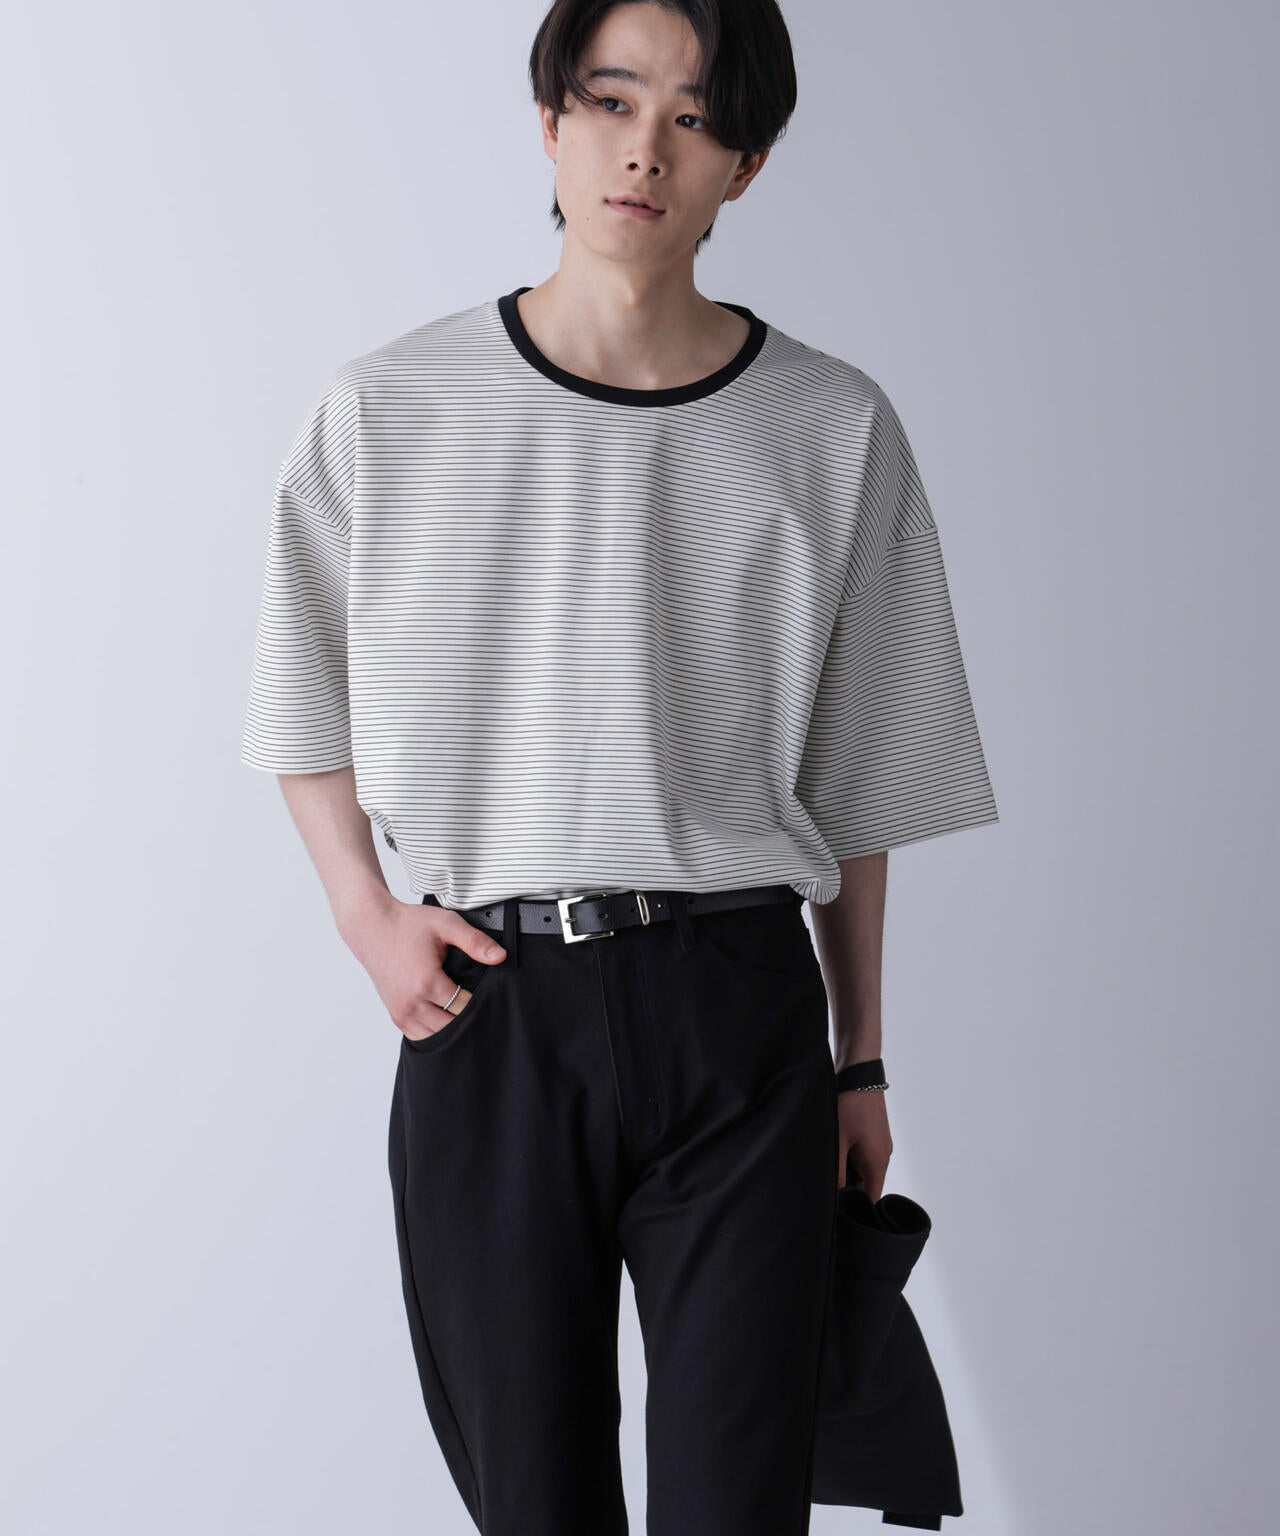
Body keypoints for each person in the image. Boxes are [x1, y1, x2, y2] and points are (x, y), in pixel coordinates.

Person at [239, 2, 998, 1532]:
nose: (646, 148)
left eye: (697, 117)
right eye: (611, 99)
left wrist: (860, 1056)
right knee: (534, 1501)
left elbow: (860, 772)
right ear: (550, 120)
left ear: (746, 165)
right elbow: (294, 686)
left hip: (739, 1009)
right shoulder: (393, 405)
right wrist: (364, 914)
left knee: (738, 1505)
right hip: (491, 1009)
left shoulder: (831, 427)